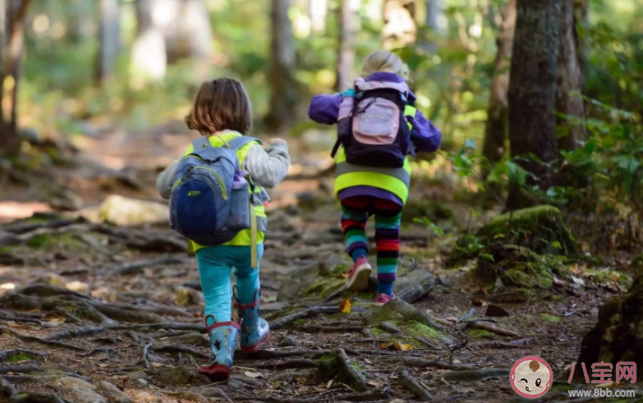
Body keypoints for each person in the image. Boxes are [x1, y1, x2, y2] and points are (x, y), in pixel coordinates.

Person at [156, 78, 290, 380]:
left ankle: (220, 354)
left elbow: (163, 187)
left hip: (206, 240)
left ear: (200, 111)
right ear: (243, 110)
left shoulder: (194, 152)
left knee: (215, 294)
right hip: (248, 235)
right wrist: (280, 150)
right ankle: (251, 334)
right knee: (248, 278)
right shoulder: (248, 148)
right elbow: (270, 175)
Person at [308, 51, 441, 305]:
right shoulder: (407, 105)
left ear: (364, 73)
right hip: (392, 181)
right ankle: (385, 293)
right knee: (388, 232)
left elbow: (315, 108)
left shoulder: (351, 98)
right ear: (403, 75)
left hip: (352, 178)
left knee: (352, 221)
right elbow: (433, 140)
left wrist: (346, 101)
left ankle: (359, 259)